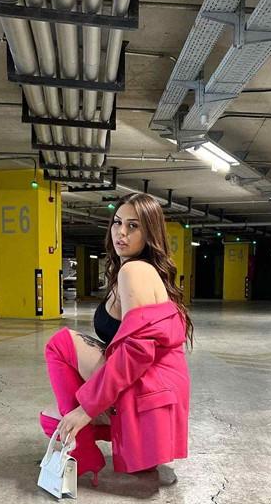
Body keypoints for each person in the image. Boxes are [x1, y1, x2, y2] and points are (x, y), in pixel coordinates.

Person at [40, 192, 193, 487]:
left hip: (150, 385)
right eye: (117, 223)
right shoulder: (134, 270)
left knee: (60, 344)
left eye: (133, 226)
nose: (121, 232)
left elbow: (137, 351)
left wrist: (85, 409)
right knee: (52, 417)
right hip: (159, 390)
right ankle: (99, 443)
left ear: (150, 233)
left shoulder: (134, 271)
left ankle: (82, 450)